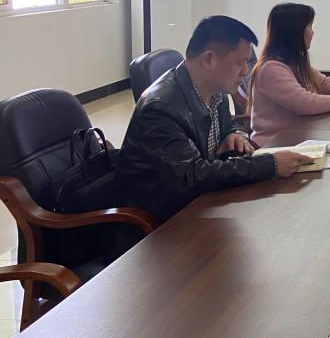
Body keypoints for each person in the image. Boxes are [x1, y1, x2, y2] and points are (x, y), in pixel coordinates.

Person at [116, 16, 314, 222]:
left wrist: (233, 133)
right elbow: (191, 176)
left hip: (204, 199)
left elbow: (227, 126)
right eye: (239, 62)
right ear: (208, 59)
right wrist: (271, 164)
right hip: (163, 219)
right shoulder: (160, 108)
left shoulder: (215, 92)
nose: (245, 71)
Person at [249, 3, 330, 145]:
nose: (312, 33)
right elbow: (306, 104)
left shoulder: (294, 62)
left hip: (295, 141)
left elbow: (323, 83)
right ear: (295, 32)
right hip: (273, 146)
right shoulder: (271, 69)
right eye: (309, 26)